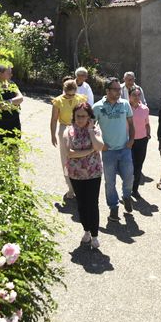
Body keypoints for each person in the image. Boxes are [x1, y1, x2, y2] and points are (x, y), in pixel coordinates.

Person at [92, 77, 136, 223]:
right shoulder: (97, 107)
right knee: (110, 182)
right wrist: (100, 144)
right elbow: (91, 128)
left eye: (119, 89)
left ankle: (127, 196)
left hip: (124, 149)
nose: (119, 91)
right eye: (115, 89)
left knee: (129, 177)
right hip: (108, 151)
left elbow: (131, 123)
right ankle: (113, 207)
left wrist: (131, 140)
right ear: (107, 90)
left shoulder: (125, 104)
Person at [63, 102, 105, 249]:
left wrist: (91, 131)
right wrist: (89, 151)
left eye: (83, 116)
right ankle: (86, 230)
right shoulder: (69, 131)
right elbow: (69, 153)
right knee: (81, 204)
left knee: (92, 204)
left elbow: (99, 146)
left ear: (89, 117)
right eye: (77, 116)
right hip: (76, 174)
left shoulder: (95, 128)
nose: (80, 119)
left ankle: (94, 235)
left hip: (93, 173)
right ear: (73, 116)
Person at [50, 79, 89, 198]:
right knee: (65, 159)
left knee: (81, 157)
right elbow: (53, 119)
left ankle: (82, 186)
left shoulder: (81, 99)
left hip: (79, 128)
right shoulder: (58, 101)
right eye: (68, 94)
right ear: (64, 91)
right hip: (64, 129)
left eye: (73, 94)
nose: (70, 97)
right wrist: (52, 135)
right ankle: (70, 188)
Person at [0, 64, 23, 143]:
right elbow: (1, 106)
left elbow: (21, 98)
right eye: (8, 72)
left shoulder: (12, 84)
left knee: (14, 149)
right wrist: (14, 103)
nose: (11, 74)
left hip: (14, 123)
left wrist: (8, 102)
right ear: (0, 74)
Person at [129, 87, 151, 200]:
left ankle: (135, 189)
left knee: (138, 166)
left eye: (138, 95)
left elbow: (147, 123)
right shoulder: (125, 108)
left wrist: (148, 134)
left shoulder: (145, 109)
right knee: (129, 166)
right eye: (134, 95)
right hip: (129, 141)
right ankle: (126, 189)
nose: (137, 97)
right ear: (129, 96)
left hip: (142, 141)